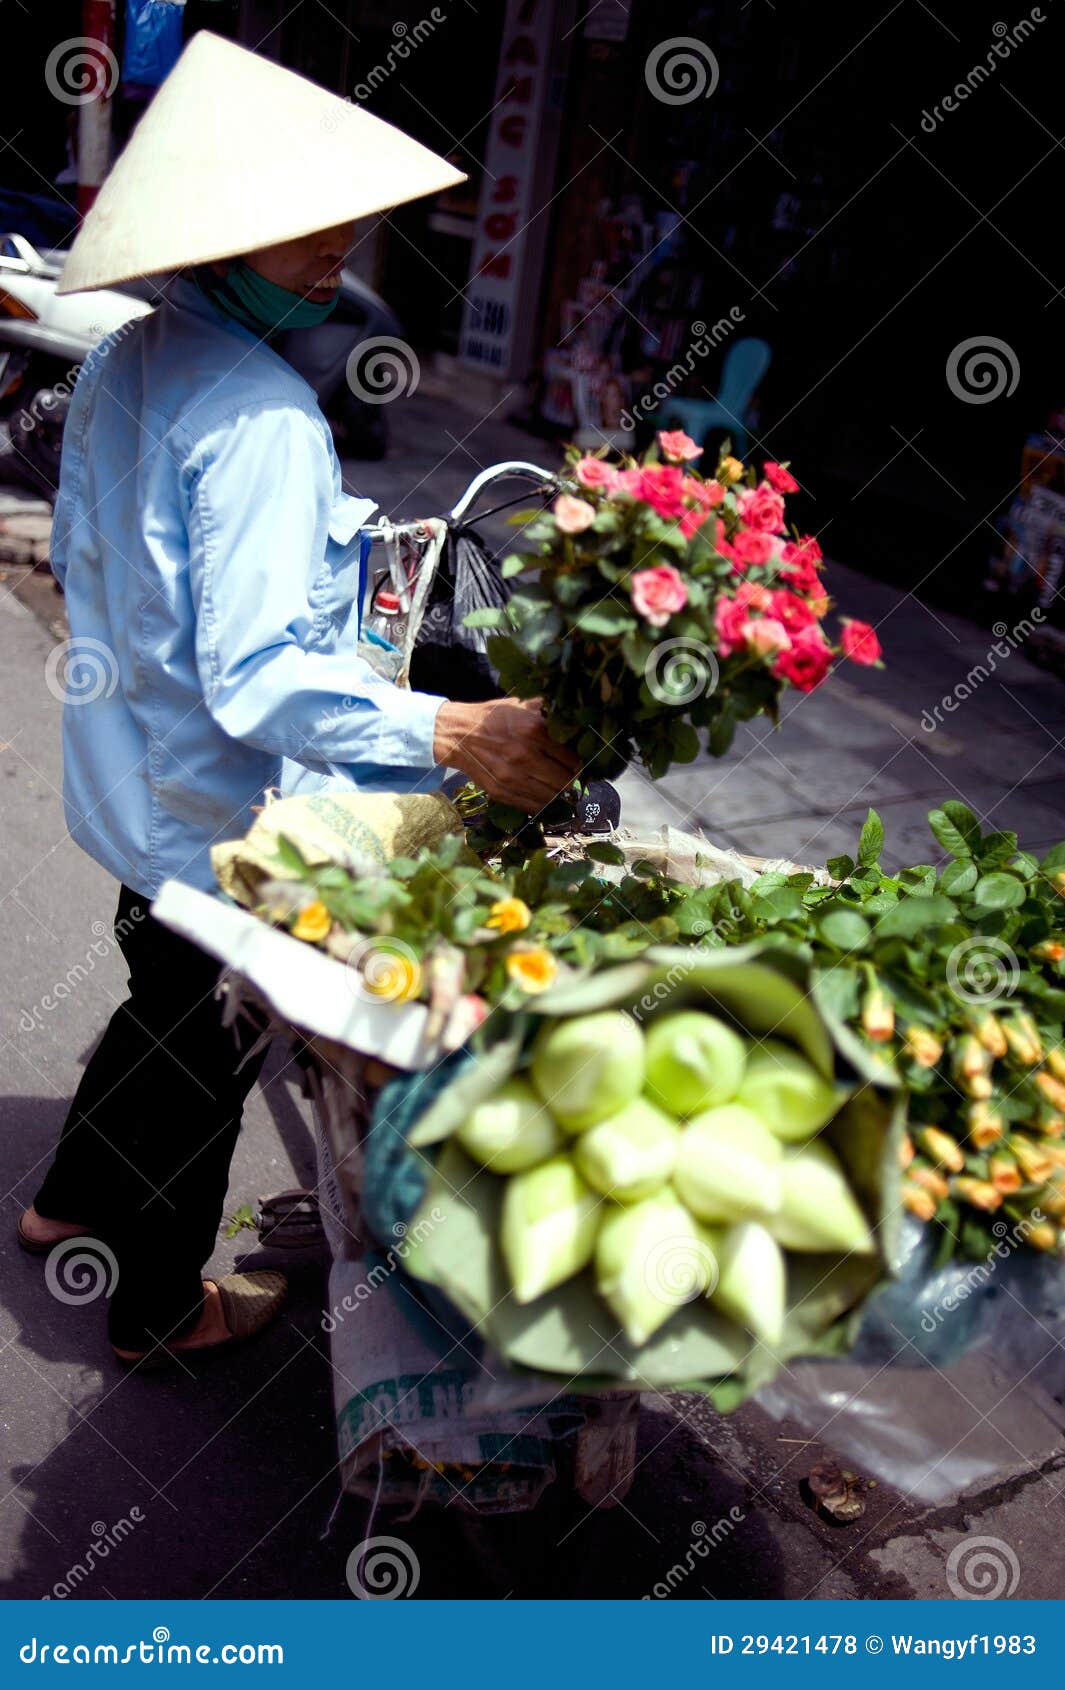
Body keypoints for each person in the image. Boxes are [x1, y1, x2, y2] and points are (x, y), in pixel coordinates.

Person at [19, 34, 577, 1369]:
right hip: (211, 803)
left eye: (340, 222)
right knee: (202, 1048)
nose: (335, 248)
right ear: (217, 239)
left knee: (156, 983)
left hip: (126, 772)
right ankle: (156, 1306)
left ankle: (62, 1202)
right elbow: (259, 675)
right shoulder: (265, 412)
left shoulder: (126, 356)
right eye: (294, 228)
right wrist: (452, 730)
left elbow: (124, 556)